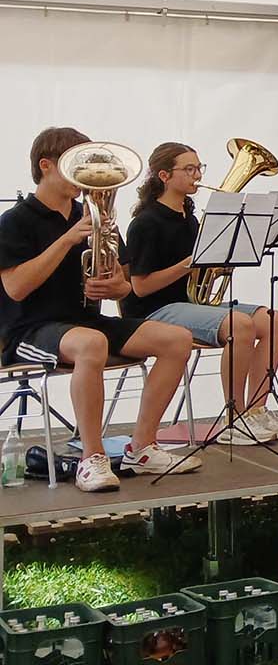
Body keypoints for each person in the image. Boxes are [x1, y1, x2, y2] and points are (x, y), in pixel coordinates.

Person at [1, 128, 199, 491]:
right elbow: (15, 287)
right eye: (76, 166)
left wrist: (113, 284)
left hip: (86, 323)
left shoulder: (93, 214)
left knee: (176, 339)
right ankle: (91, 458)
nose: (86, 176)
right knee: (92, 344)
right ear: (46, 166)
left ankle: (142, 446)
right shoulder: (14, 222)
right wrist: (67, 240)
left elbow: (125, 284)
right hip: (29, 329)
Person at [122, 141, 278, 443]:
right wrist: (190, 264)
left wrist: (224, 260)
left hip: (186, 303)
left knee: (274, 320)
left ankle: (255, 410)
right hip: (154, 310)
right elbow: (141, 287)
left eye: (199, 168)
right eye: (189, 169)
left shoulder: (190, 217)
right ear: (164, 176)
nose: (197, 174)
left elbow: (199, 276)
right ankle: (233, 417)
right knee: (240, 326)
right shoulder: (145, 223)